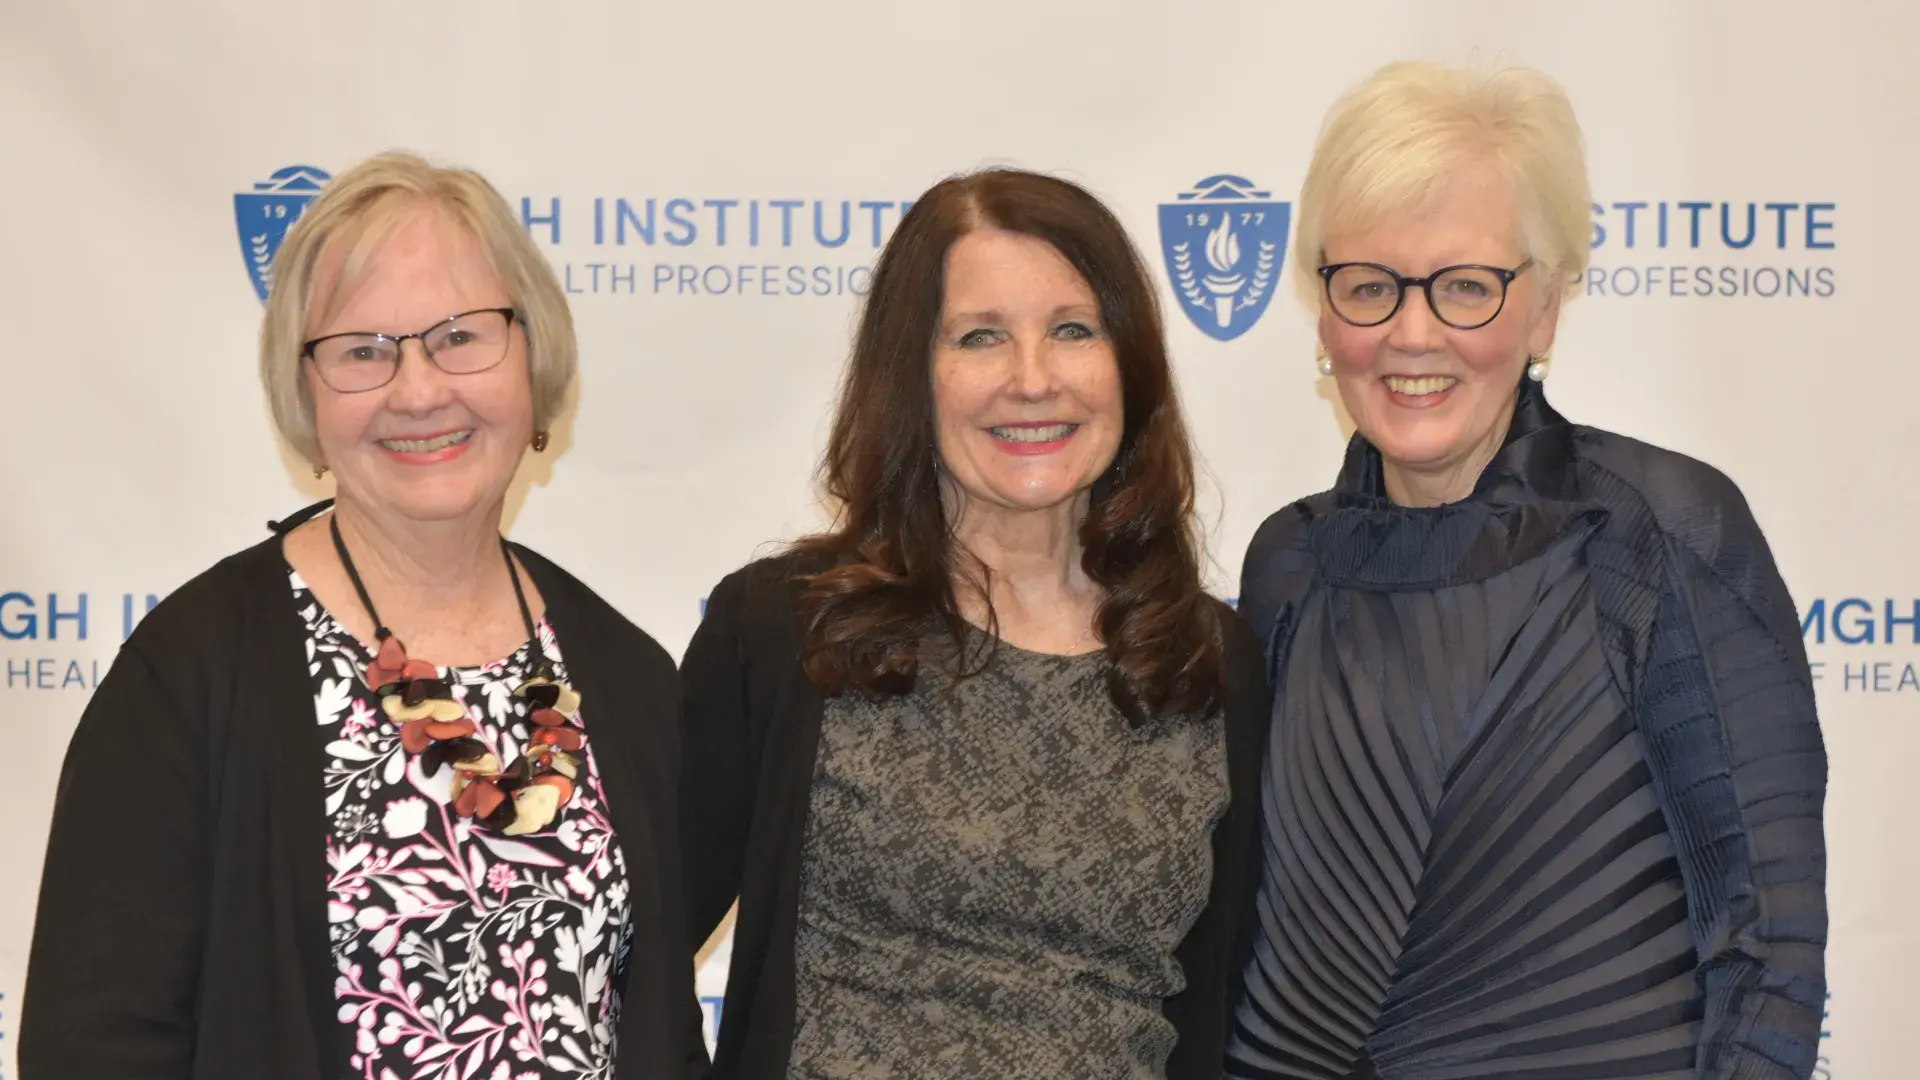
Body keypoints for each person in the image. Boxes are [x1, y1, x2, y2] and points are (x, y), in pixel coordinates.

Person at [22, 152, 700, 1080]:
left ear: (534, 358)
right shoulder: (193, 672)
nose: (418, 390)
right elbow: (92, 1046)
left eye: (461, 336)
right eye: (363, 351)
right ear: (304, 394)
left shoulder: (624, 675)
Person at [1226, 61, 1827, 1079]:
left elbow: (1766, 960)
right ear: (1323, 311)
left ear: (1543, 309)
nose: (1412, 335)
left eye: (1466, 286)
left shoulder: (1664, 535)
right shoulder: (1288, 565)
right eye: (1369, 285)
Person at [681, 167, 1268, 1080]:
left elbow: (1219, 1006)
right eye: (980, 337)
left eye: (1073, 330)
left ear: (1131, 367)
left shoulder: (1204, 659)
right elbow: (626, 954)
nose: (1032, 380)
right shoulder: (785, 628)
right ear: (913, 375)